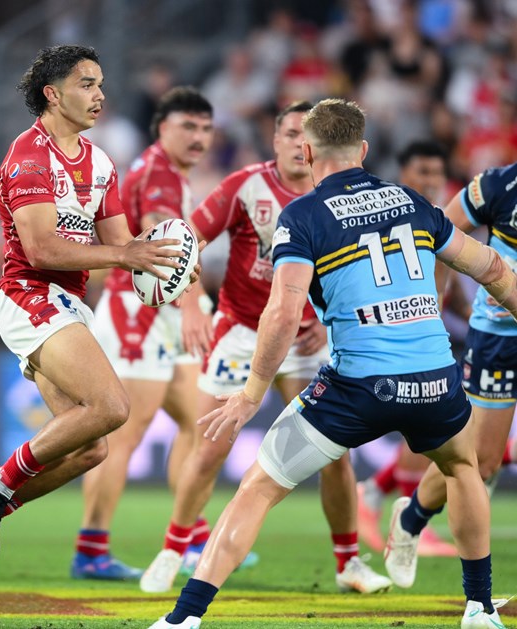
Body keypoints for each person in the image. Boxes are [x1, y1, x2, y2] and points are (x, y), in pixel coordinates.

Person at [150, 98, 506, 629]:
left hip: (358, 388)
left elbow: (283, 310)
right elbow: (492, 267)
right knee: (462, 468)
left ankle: (184, 618)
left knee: (259, 486)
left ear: (308, 150)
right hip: (436, 381)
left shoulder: (304, 215)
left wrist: (252, 393)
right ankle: (479, 608)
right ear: (362, 150)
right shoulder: (411, 201)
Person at [0, 44, 197, 596]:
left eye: (101, 84)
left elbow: (123, 244)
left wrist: (168, 265)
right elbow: (41, 250)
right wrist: (126, 257)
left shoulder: (99, 161)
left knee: (91, 447)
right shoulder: (29, 158)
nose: (100, 95)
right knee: (113, 406)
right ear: (53, 95)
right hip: (28, 296)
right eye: (86, 84)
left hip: (69, 306)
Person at [139, 100, 391, 595]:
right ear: (276, 141)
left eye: (307, 135)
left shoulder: (342, 196)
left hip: (306, 338)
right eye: (291, 133)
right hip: (239, 332)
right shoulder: (244, 186)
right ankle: (172, 551)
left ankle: (348, 565)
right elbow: (183, 241)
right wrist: (191, 306)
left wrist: (331, 321)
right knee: (209, 447)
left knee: (335, 456)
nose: (301, 144)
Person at [72, 86, 214, 581]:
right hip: (142, 309)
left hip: (161, 311)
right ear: (161, 128)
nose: (198, 137)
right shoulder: (158, 173)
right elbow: (164, 242)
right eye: (187, 126)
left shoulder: (167, 171)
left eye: (204, 128)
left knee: (198, 423)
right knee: (126, 434)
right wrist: (194, 306)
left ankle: (193, 537)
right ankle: (91, 549)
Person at [378, 139, 517, 601]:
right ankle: (411, 518)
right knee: (481, 462)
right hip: (500, 340)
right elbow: (437, 235)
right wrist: (430, 302)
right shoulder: (498, 186)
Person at [356, 140, 459, 558]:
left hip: (429, 335)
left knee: (426, 430)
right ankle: (410, 522)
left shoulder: (438, 219)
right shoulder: (388, 219)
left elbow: (446, 285)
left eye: (437, 173)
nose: (431, 181)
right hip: (387, 341)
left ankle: (375, 492)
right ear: (404, 174)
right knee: (431, 429)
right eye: (422, 173)